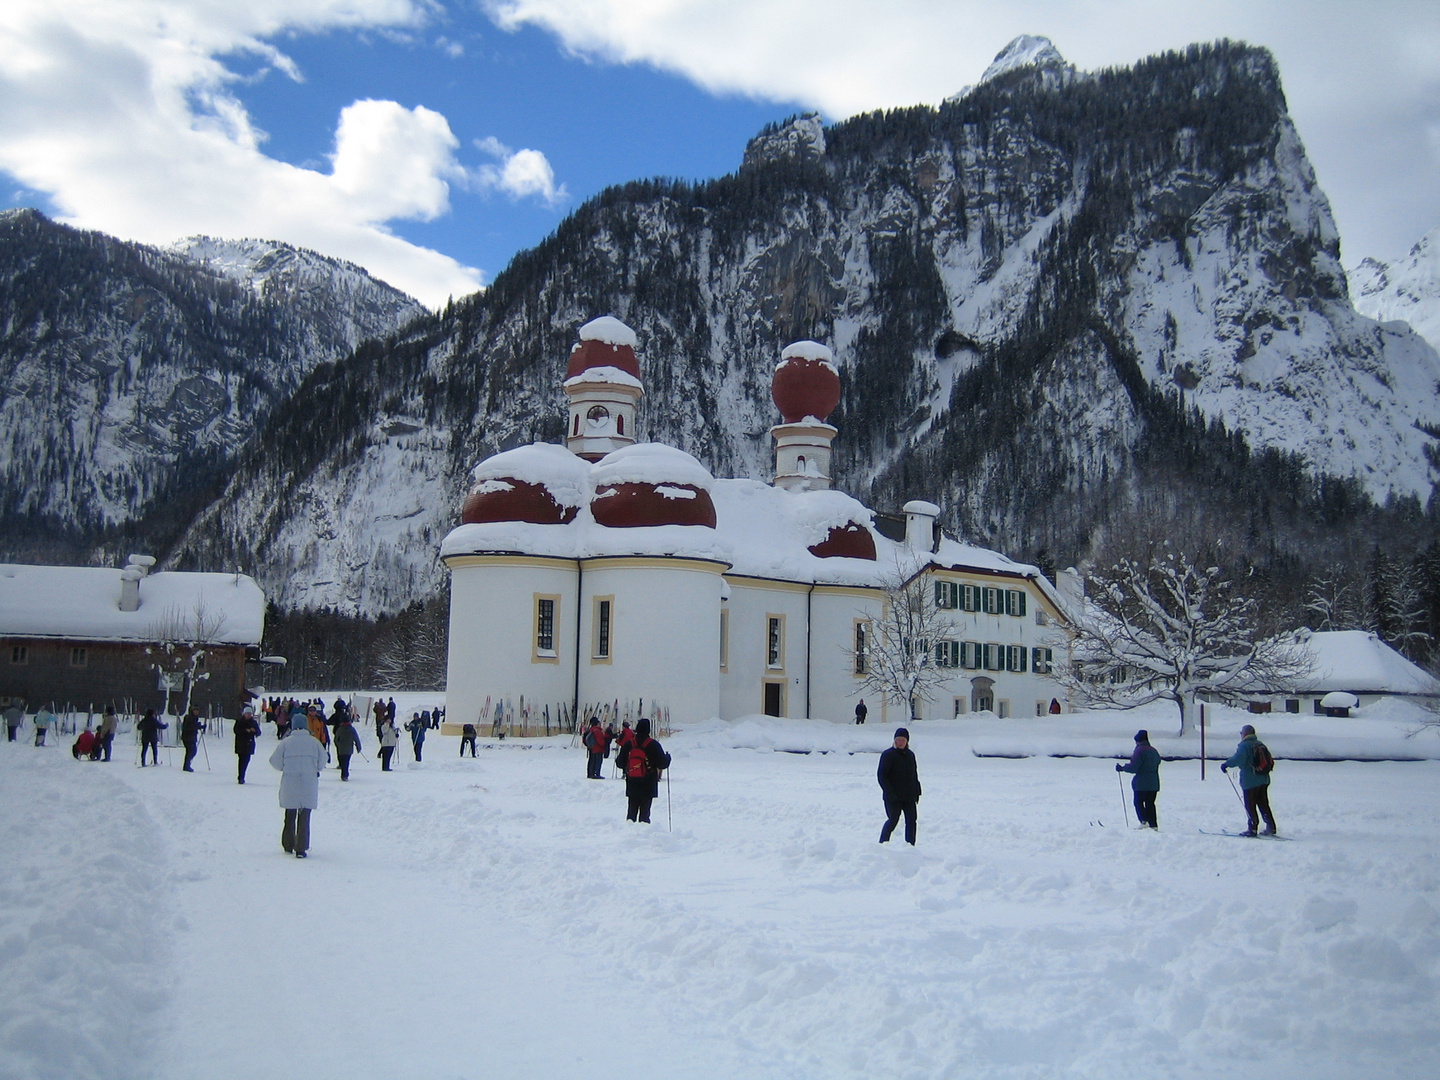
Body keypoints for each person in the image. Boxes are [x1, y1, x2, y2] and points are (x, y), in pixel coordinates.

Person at [269, 720, 326, 858]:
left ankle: (288, 844)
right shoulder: (314, 743)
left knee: (290, 815)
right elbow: (323, 760)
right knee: (304, 816)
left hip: (290, 782)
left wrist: (285, 767)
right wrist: (315, 769)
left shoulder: (286, 743)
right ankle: (301, 848)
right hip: (308, 783)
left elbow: (274, 761)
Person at [1222, 724, 1278, 837]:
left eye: (1241, 733)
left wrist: (1226, 764)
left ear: (1245, 734)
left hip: (1250, 780)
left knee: (1250, 805)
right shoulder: (1260, 744)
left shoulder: (1245, 746)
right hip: (1264, 778)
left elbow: (1238, 759)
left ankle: (1252, 828)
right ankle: (1271, 827)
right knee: (1263, 803)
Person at [621, 717, 669, 823]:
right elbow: (662, 764)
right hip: (648, 783)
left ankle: (629, 832)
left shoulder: (629, 744)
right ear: (649, 730)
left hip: (632, 782)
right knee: (645, 813)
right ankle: (643, 833)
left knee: (631, 811)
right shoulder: (653, 744)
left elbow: (620, 763)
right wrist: (668, 758)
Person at [877, 727, 921, 845]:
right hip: (893, 797)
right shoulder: (888, 755)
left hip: (909, 796)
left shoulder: (910, 755)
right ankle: (882, 844)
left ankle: (910, 846)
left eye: (903, 740)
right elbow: (882, 776)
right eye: (898, 739)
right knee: (893, 820)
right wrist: (889, 792)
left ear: (907, 741)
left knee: (912, 821)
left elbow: (914, 774)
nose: (900, 742)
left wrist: (917, 790)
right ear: (894, 740)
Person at [1117, 729, 1161, 828]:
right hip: (1154, 782)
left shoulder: (1139, 750)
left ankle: (1144, 822)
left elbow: (1134, 767)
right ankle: (1153, 825)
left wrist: (1123, 768)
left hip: (1141, 783)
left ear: (1138, 740)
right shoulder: (1153, 750)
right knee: (1150, 803)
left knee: (1138, 802)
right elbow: (1158, 761)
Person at [234, 707, 261, 784]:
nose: (248, 715)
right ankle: (241, 777)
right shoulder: (239, 721)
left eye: (250, 714)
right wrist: (245, 730)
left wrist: (254, 731)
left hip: (249, 744)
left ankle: (242, 775)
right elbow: (236, 730)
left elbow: (259, 733)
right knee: (241, 760)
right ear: (244, 714)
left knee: (246, 761)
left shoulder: (253, 722)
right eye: (247, 714)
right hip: (241, 744)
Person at [333, 715, 362, 781]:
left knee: (342, 762)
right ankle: (345, 775)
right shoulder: (352, 729)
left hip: (341, 749)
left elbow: (335, 739)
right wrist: (358, 747)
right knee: (346, 762)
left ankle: (344, 774)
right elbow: (356, 739)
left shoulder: (340, 729)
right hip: (349, 749)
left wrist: (338, 745)